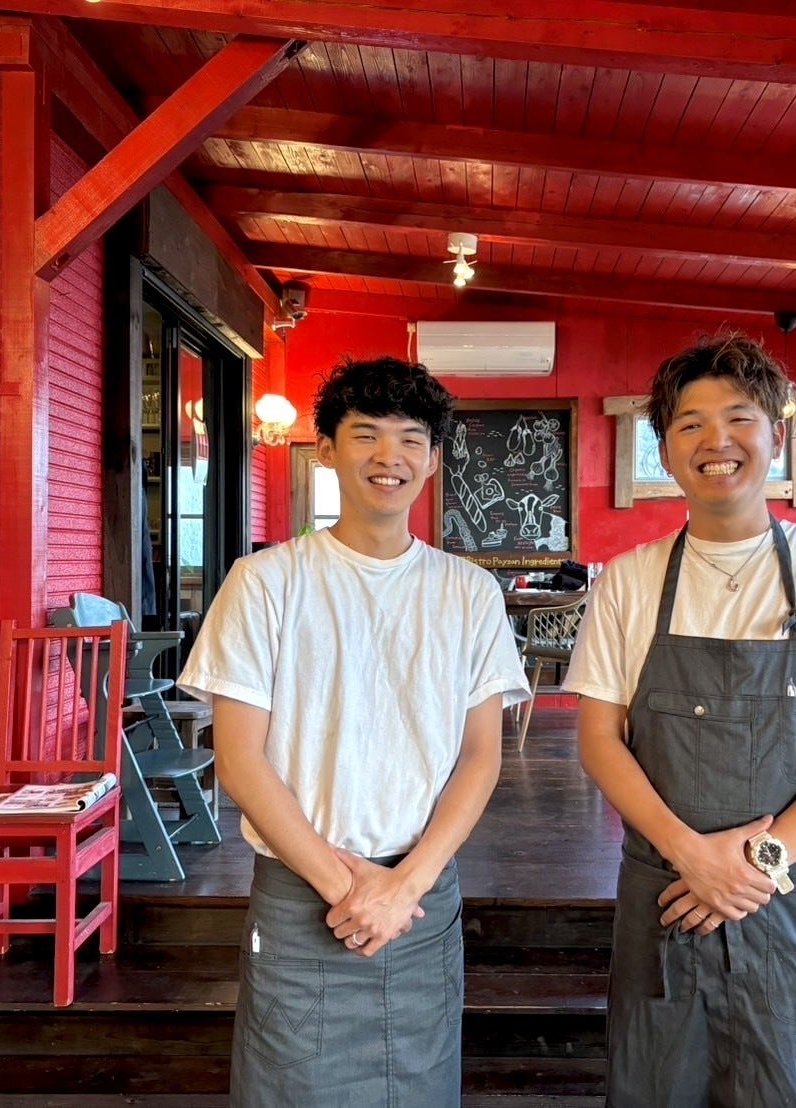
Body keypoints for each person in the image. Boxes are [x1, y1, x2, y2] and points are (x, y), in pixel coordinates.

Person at [563, 333, 796, 1106]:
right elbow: (598, 740)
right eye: (689, 424)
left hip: (789, 904)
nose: (716, 441)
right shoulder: (629, 582)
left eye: (737, 419)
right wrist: (690, 856)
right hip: (666, 898)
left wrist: (756, 863)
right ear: (665, 448)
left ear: (776, 435)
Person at [177, 355, 530, 1107]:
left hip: (420, 894)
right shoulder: (265, 581)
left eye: (410, 439)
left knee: (420, 1088)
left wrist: (404, 887)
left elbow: (480, 758)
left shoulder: (468, 592)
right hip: (303, 896)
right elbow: (237, 760)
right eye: (365, 434)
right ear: (328, 450)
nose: (387, 456)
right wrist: (352, 890)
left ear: (432, 460)